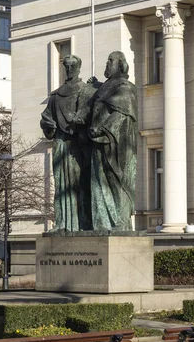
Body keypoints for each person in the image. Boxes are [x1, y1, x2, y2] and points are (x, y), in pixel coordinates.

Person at [40, 55, 96, 231]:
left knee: (81, 184)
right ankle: (63, 223)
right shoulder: (56, 95)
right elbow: (46, 117)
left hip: (80, 146)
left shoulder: (86, 91)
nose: (70, 70)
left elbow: (94, 115)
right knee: (62, 185)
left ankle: (83, 223)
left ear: (79, 68)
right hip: (61, 144)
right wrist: (47, 125)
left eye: (73, 66)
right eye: (67, 67)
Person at [88, 51, 138, 231]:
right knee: (99, 181)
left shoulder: (126, 86)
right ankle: (102, 222)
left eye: (111, 61)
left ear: (121, 64)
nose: (107, 64)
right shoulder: (104, 87)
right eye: (107, 60)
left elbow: (123, 114)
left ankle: (122, 221)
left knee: (117, 179)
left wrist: (103, 128)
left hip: (117, 143)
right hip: (99, 141)